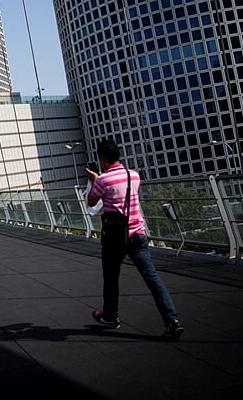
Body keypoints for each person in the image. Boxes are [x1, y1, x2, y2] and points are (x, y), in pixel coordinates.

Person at [86, 138, 184, 340]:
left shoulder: (103, 181)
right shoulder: (134, 176)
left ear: (103, 160)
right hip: (138, 234)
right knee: (152, 278)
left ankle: (111, 316)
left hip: (115, 238)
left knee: (111, 279)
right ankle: (171, 319)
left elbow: (91, 202)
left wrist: (95, 179)